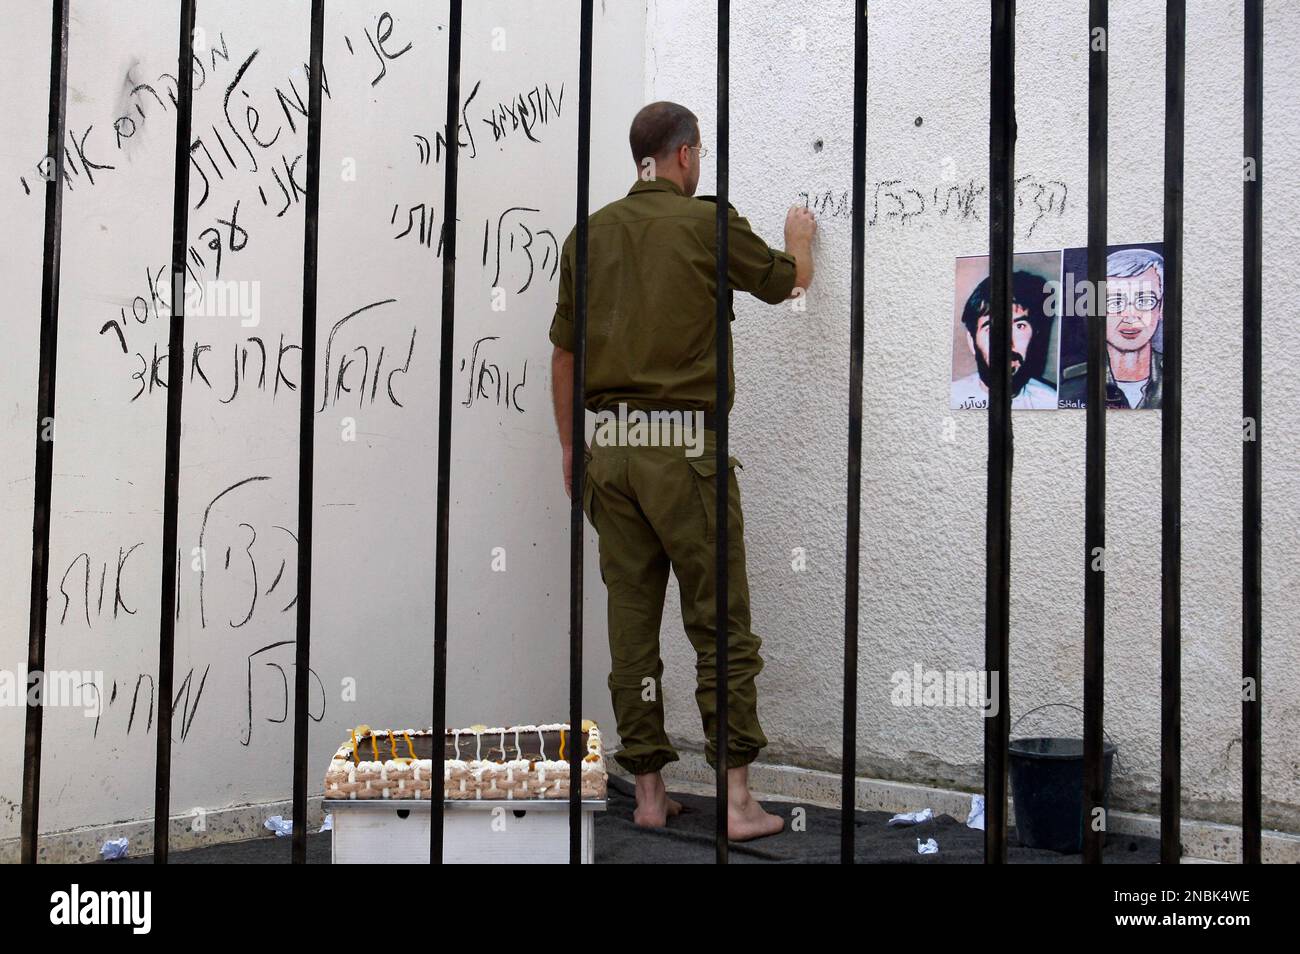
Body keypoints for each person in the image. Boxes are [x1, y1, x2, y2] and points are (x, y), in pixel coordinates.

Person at [548, 101, 816, 841]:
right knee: (720, 625)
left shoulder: (588, 235)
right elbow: (785, 283)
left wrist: (573, 448)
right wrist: (800, 242)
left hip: (611, 454)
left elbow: (564, 356)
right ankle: (736, 804)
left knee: (631, 627)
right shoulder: (708, 224)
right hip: (683, 454)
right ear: (687, 156)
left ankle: (649, 794)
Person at [1058, 247, 1165, 409]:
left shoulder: (1177, 375)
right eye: (1115, 303)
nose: (1130, 316)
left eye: (1145, 301)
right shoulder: (1071, 386)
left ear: (1161, 308)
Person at [950, 269, 1059, 410]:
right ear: (972, 342)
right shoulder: (952, 400)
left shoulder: (1051, 402)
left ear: (1035, 338)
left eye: (1020, 326)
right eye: (992, 329)